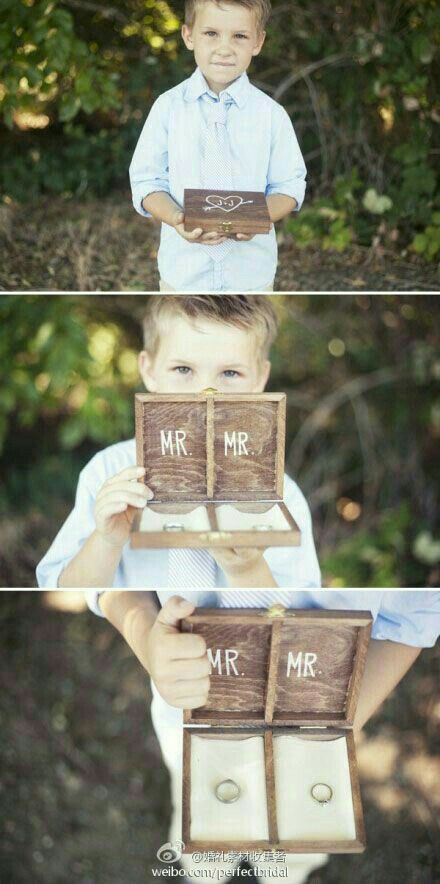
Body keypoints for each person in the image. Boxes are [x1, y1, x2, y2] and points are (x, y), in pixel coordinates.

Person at [86, 588, 440, 883]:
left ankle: (283, 874)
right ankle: (204, 873)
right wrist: (147, 639)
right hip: (193, 736)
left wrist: (339, 721)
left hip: (311, 756)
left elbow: (414, 617)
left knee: (295, 845)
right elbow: (113, 583)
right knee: (204, 833)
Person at [36, 296, 320, 590]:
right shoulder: (110, 471)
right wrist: (106, 540)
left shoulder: (279, 496)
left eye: (230, 373)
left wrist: (246, 569)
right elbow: (62, 588)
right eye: (183, 369)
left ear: (260, 379)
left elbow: (293, 612)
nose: (205, 392)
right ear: (149, 371)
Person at [129, 0, 306, 292]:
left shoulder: (271, 115)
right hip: (183, 274)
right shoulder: (168, 108)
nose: (225, 48)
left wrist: (254, 218)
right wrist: (177, 218)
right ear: (188, 36)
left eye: (240, 36)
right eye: (211, 33)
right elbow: (146, 180)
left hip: (251, 276)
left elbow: (289, 186)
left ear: (258, 42)